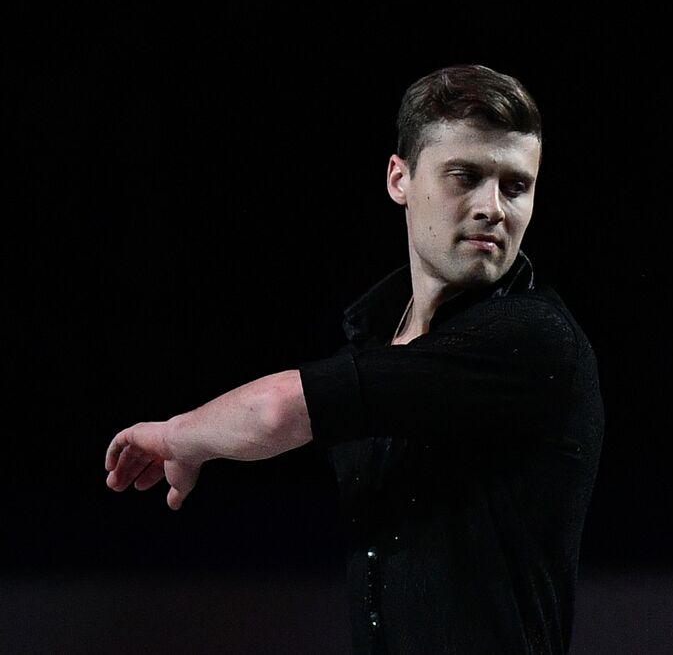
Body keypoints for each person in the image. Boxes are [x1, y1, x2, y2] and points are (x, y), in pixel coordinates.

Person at [103, 65, 604, 654]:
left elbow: (281, 410)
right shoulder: (377, 331)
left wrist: (180, 435)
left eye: (516, 186)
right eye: (464, 177)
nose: (493, 207)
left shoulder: (532, 337)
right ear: (400, 179)